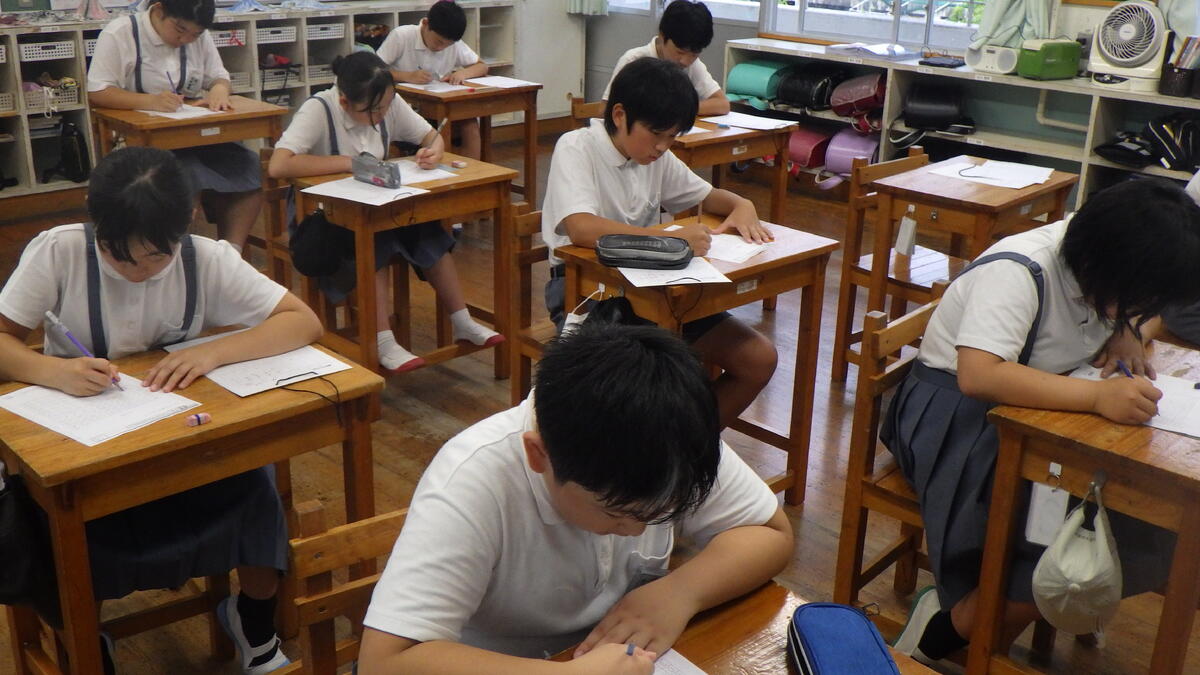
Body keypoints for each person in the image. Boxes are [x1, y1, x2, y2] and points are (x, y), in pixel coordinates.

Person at [0, 147, 323, 675]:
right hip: (86, 453)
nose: (137, 271)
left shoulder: (206, 258)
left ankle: (252, 618)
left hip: (181, 441)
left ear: (187, 221)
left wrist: (214, 351)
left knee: (256, 487)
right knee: (61, 526)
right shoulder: (59, 252)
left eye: (155, 257)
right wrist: (51, 371)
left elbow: (302, 321)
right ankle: (85, 640)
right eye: (119, 256)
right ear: (95, 221)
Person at [354, 320, 793, 674]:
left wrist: (680, 592)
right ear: (539, 456)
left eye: (665, 511)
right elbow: (383, 662)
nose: (638, 530)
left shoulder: (670, 433)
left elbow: (770, 532)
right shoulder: (474, 480)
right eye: (617, 514)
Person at [884, 178, 1200, 665]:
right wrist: (1097, 397)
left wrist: (1127, 329)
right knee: (1067, 534)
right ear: (1103, 267)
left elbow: (1133, 312)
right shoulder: (1019, 270)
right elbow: (978, 375)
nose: (1144, 311)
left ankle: (962, 627)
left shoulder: (1099, 257)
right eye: (1135, 300)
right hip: (959, 419)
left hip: (1030, 410)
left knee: (1131, 518)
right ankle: (956, 632)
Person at [543, 56, 775, 428]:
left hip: (657, 290)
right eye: (657, 134)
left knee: (758, 359)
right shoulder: (577, 147)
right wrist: (668, 240)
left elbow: (706, 195)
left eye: (673, 137)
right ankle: (655, 448)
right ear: (620, 115)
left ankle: (686, 449)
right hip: (590, 292)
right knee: (652, 389)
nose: (663, 147)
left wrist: (741, 204)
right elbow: (581, 228)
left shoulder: (655, 157)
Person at [269, 52, 501, 374]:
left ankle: (461, 320)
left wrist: (433, 151)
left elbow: (431, 135)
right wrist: (348, 163)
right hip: (322, 215)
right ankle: (382, 339)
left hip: (378, 202)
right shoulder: (319, 109)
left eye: (386, 107)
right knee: (373, 240)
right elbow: (279, 165)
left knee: (429, 230)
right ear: (345, 102)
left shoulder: (386, 101)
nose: (381, 115)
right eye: (373, 111)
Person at [87, 0, 261, 252]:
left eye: (195, 34)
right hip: (139, 140)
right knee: (184, 173)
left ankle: (230, 251)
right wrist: (149, 101)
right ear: (159, 11)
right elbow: (98, 92)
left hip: (192, 132)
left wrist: (219, 90)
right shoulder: (121, 33)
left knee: (249, 166)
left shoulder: (196, 35)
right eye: (180, 30)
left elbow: (218, 76)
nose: (186, 39)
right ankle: (177, 251)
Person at [377, 0, 488, 159]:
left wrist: (463, 73)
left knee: (469, 123)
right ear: (426, 24)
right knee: (439, 129)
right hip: (407, 106)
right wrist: (406, 76)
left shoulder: (453, 42)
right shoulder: (402, 36)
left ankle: (472, 172)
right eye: (438, 42)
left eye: (447, 45)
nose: (441, 48)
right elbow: (374, 70)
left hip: (440, 104)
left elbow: (482, 66)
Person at [602, 0, 730, 116]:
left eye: (694, 54)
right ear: (662, 36)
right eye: (680, 52)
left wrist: (681, 109)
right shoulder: (634, 60)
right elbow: (604, 110)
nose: (685, 61)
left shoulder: (693, 65)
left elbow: (722, 104)